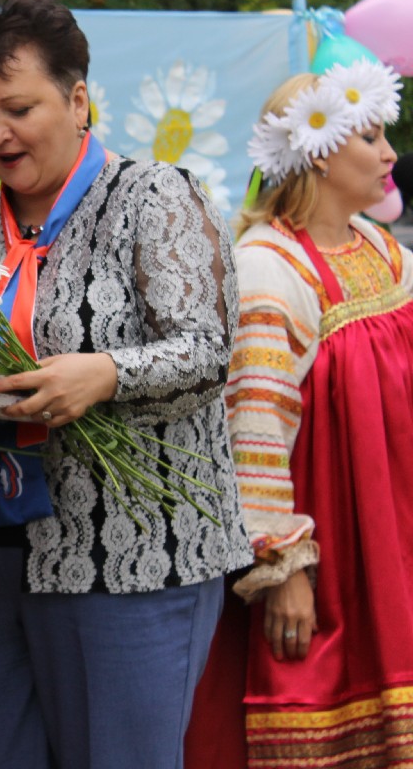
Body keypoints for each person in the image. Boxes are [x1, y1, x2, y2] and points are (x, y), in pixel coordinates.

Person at [0, 0, 252, 769]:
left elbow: (209, 351)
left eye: (17, 108)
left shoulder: (156, 199)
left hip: (129, 555)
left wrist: (108, 373)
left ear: (78, 98)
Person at [185, 62, 410, 767]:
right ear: (316, 152)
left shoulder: (380, 249)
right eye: (370, 137)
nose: (389, 154)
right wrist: (284, 570)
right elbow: (254, 430)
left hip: (395, 535)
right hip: (335, 551)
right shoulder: (269, 269)